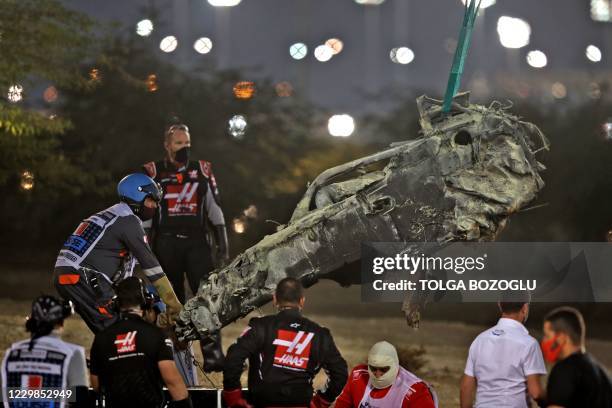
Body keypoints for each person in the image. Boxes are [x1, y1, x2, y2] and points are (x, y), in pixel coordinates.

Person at [142, 123, 229, 371]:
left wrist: (223, 246)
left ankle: (213, 357)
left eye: (187, 144)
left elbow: (215, 209)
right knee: (172, 301)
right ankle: (172, 356)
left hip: (197, 242)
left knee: (207, 299)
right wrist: (144, 248)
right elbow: (146, 215)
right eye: (179, 143)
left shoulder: (202, 169)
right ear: (167, 145)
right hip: (166, 243)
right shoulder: (152, 171)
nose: (184, 148)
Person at [53, 173, 183, 333]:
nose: (155, 206)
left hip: (73, 275)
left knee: (112, 331)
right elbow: (152, 266)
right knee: (122, 334)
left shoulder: (112, 215)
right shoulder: (128, 220)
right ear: (137, 197)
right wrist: (173, 303)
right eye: (151, 200)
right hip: (84, 277)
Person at [222, 277, 348, 408]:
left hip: (262, 403)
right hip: (300, 403)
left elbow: (234, 357)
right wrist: (322, 400)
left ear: (275, 299)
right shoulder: (320, 334)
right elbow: (340, 373)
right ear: (302, 301)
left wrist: (233, 396)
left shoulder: (260, 326)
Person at [89, 277, 192, 408]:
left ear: (116, 304)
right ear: (146, 303)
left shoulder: (101, 338)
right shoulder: (156, 335)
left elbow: (96, 384)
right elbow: (172, 380)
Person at [1, 295, 89, 408]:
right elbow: (82, 400)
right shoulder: (72, 353)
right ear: (60, 323)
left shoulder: (11, 353)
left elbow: (4, 396)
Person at [460, 296, 546, 408]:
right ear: (525, 308)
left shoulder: (480, 340)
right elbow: (536, 393)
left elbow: (466, 388)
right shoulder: (529, 343)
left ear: (500, 305)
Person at [542, 306, 612, 408]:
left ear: (561, 338)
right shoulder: (602, 373)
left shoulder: (564, 370)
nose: (544, 341)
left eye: (547, 335)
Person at [334, 341, 437, 408]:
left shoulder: (415, 391)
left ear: (395, 366)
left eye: (384, 369)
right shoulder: (359, 376)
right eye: (374, 368)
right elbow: (342, 405)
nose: (378, 374)